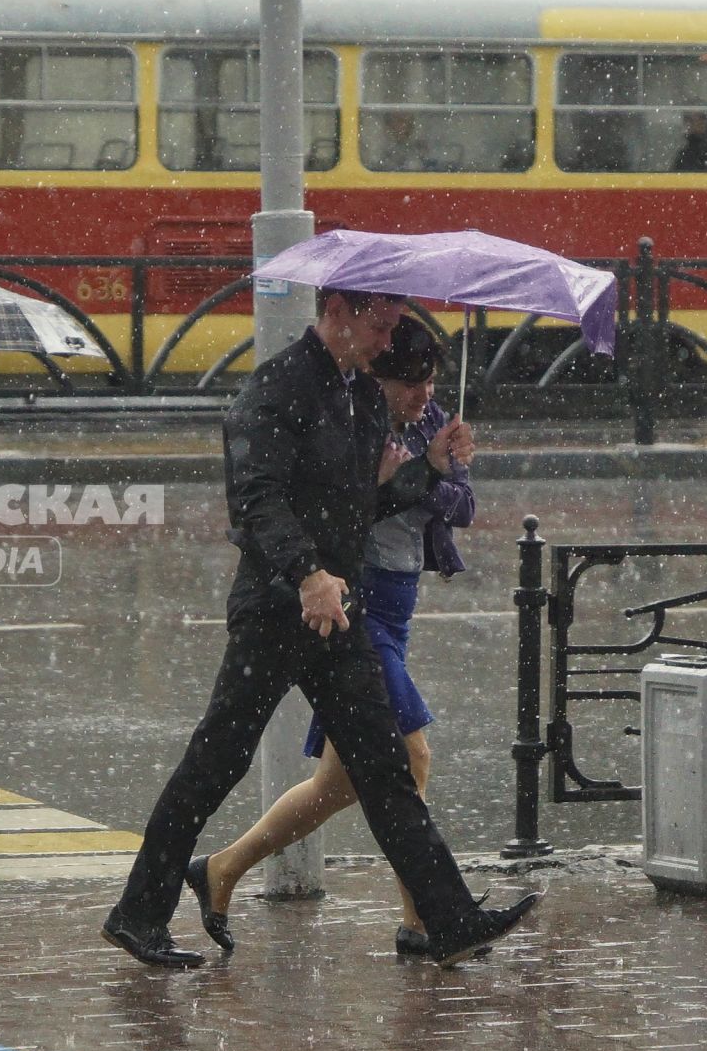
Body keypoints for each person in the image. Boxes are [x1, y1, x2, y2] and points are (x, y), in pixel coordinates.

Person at [101, 288, 541, 970]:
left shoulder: (359, 395)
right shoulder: (279, 386)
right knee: (215, 761)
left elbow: (360, 506)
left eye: (393, 327)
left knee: (385, 765)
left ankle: (450, 919)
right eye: (378, 324)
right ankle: (138, 913)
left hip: (337, 612)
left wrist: (429, 470)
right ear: (337, 310)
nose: (384, 340)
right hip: (279, 608)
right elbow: (256, 499)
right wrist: (307, 572)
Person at [187, 316, 475, 958]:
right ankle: (426, 922)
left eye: (430, 383)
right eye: (411, 383)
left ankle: (219, 870)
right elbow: (329, 510)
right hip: (358, 605)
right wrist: (379, 482)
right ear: (382, 375)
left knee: (339, 785)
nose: (423, 396)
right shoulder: (353, 418)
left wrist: (443, 467)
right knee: (411, 756)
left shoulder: (431, 425)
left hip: (399, 611)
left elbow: (461, 508)